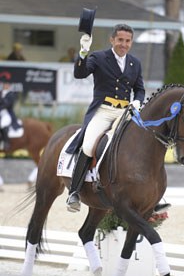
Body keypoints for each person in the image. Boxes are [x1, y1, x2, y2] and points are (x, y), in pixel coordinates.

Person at [66, 23, 171, 215]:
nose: (124, 44)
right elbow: (79, 74)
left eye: (127, 41)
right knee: (89, 145)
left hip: (125, 112)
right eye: (120, 40)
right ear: (112, 40)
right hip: (103, 111)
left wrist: (138, 101)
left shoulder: (134, 63)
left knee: (142, 144)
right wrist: (83, 52)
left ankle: (154, 197)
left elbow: (139, 89)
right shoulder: (98, 57)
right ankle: (74, 191)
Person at [0, 79, 20, 150]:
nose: (5, 86)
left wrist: (1, 98)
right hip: (0, 112)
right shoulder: (1, 93)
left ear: (9, 85)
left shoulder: (11, 94)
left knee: (2, 124)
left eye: (6, 84)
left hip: (7, 113)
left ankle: (6, 143)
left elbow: (7, 104)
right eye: (4, 84)